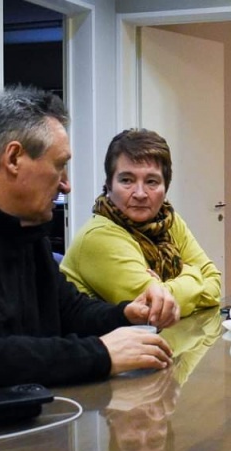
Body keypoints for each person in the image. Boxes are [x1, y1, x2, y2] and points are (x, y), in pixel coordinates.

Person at [0, 86, 180, 408]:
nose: (66, 183)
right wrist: (100, 354)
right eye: (59, 165)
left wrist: (126, 315)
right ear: (14, 158)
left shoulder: (23, 228)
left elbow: (67, 310)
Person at [60, 128, 222, 318]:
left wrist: (166, 288)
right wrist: (192, 274)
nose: (140, 193)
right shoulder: (98, 236)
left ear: (166, 187)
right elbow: (155, 309)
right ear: (109, 185)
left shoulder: (168, 221)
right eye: (127, 180)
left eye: (151, 182)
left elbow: (215, 284)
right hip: (106, 344)